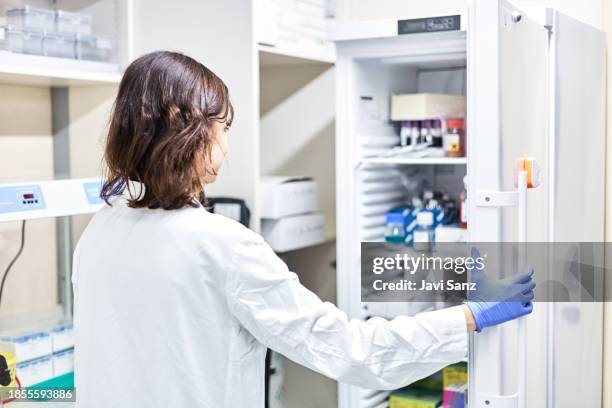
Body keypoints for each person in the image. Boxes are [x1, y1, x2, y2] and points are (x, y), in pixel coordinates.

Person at [72, 51, 535, 407]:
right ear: (188, 133)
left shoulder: (99, 231)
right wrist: (470, 316)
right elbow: (355, 352)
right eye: (223, 127)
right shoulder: (221, 245)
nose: (226, 147)